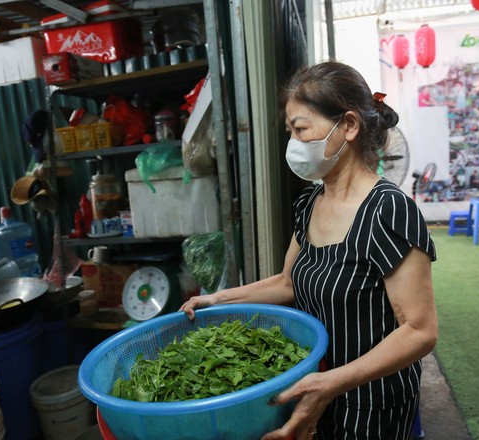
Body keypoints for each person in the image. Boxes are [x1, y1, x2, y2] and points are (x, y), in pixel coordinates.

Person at [181, 61, 438, 440]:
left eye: (301, 129)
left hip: (370, 406)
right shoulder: (310, 201)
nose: (294, 144)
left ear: (348, 126)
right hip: (313, 393)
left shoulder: (388, 210)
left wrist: (333, 381)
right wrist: (218, 299)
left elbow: (419, 330)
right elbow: (288, 282)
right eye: (290, 132)